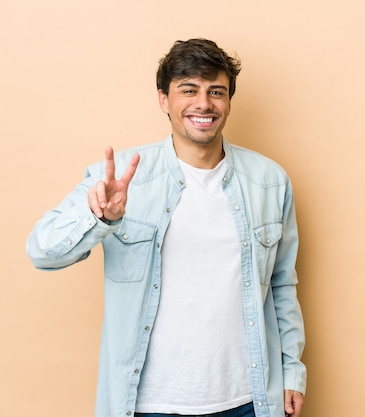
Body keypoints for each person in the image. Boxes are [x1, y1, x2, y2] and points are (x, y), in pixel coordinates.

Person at [26, 38, 306, 417]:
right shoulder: (121, 178)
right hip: (147, 404)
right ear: (164, 100)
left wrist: (292, 371)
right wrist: (99, 219)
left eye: (216, 92)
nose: (203, 104)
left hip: (247, 399)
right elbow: (42, 252)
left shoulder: (269, 181)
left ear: (228, 101)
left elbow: (281, 286)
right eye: (188, 90)